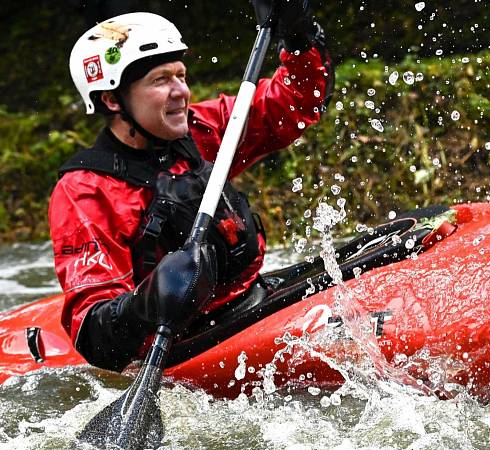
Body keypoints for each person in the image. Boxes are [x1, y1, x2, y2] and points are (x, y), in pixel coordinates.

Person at [49, 2, 333, 372]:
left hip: (251, 301)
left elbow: (297, 101)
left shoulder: (199, 130)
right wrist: (147, 302)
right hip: (179, 346)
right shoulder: (86, 192)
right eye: (160, 80)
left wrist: (299, 37)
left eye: (181, 75)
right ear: (111, 99)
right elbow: (96, 335)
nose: (181, 90)